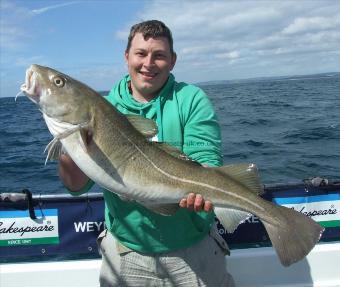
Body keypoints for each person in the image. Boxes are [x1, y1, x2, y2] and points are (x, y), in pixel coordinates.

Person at [59, 20, 234, 287]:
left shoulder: (191, 99)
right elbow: (76, 186)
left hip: (194, 250)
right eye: (141, 53)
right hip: (127, 252)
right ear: (126, 56)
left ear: (173, 61)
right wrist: (69, 140)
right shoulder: (104, 109)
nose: (148, 63)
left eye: (159, 55)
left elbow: (207, 161)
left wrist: (203, 190)